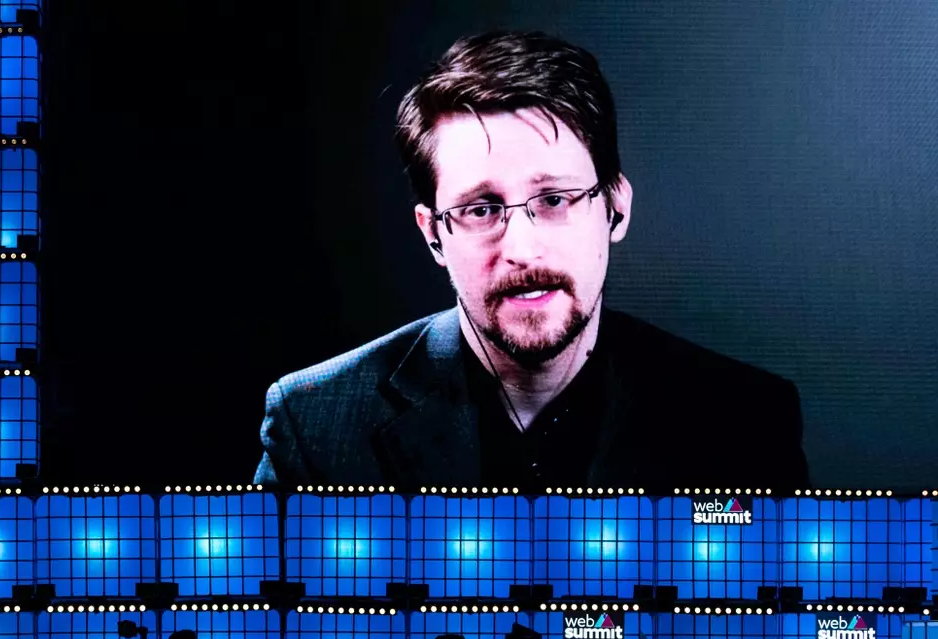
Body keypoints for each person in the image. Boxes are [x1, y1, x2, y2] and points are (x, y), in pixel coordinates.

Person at [254, 30, 807, 491]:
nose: (520, 249)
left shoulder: (747, 421)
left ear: (614, 207)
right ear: (433, 236)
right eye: (479, 209)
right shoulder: (315, 425)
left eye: (555, 199)